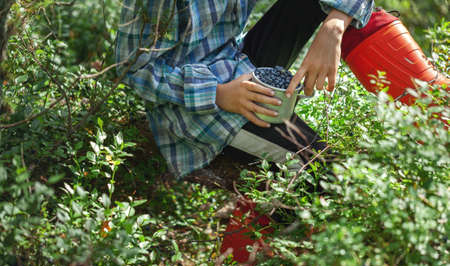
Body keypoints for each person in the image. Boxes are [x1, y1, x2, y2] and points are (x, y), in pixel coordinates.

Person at [115, 0, 448, 179]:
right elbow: (132, 69)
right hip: (199, 107)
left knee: (341, 9)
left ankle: (434, 111)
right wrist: (218, 94)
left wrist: (333, 26)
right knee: (329, 172)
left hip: (237, 58)